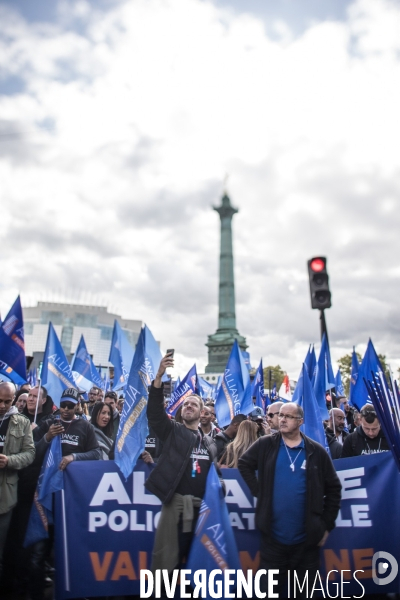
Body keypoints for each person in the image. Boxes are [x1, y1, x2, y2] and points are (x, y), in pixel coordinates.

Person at [238, 402, 341, 598]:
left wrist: (326, 525)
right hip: (272, 541)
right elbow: (244, 464)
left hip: (306, 543)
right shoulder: (266, 444)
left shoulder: (316, 451)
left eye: (288, 416)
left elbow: (334, 489)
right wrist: (261, 491)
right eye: (280, 415)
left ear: (300, 421)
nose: (282, 419)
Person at [145, 354, 220, 576]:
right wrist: (159, 378)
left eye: (194, 404)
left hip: (202, 514)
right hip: (175, 510)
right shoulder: (173, 431)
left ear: (202, 413)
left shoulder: (209, 443)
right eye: (186, 404)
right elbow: (155, 414)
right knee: (166, 566)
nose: (188, 406)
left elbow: (214, 476)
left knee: (196, 570)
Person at [0, 382, 35, 564]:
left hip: (5, 497)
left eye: (7, 402)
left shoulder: (21, 422)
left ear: (13, 400)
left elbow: (30, 454)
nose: (2, 406)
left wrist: (9, 461)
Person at [33, 388, 102, 468]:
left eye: (70, 406)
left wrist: (73, 457)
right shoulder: (48, 423)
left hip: (74, 475)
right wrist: (47, 437)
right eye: (63, 405)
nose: (66, 408)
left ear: (77, 405)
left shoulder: (86, 426)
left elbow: (96, 453)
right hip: (49, 474)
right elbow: (34, 453)